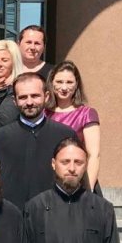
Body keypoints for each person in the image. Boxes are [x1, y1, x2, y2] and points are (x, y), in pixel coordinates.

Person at [0, 73, 77, 210]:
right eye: (23, 97)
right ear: (15, 101)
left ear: (47, 97)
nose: (29, 102)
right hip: (12, 217)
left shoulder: (65, 135)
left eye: (35, 96)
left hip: (54, 216)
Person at [48, 61, 101, 190]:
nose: (64, 87)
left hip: (76, 180)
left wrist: (89, 189)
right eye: (59, 82)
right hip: (47, 178)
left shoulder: (87, 114)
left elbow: (94, 154)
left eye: (69, 82)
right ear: (51, 83)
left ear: (76, 84)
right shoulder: (43, 113)